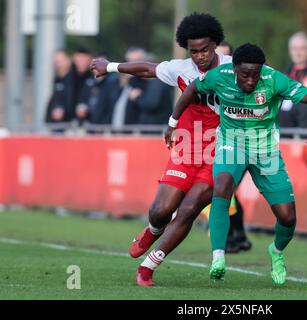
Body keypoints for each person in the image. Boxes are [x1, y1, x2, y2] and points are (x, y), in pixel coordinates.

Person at [165, 43, 307, 285]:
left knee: (287, 217)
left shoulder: (274, 79)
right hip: (232, 144)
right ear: (235, 69)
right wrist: (172, 121)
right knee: (221, 188)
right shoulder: (220, 75)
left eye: (256, 74)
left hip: (265, 152)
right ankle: (218, 256)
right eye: (245, 75)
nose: (251, 80)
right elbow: (191, 89)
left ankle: (277, 251)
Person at [90, 13, 230, 287]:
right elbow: (148, 69)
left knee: (189, 209)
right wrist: (110, 67)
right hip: (187, 145)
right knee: (161, 210)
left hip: (222, 151)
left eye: (205, 50)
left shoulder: (232, 68)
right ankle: (153, 229)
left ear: (215, 44)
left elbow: (264, 82)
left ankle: (148, 267)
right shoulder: (182, 68)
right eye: (193, 51)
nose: (200, 56)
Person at [215, 40, 252, 254]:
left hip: (239, 141)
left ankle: (231, 237)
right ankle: (237, 235)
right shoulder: (213, 80)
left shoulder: (243, 83)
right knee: (226, 190)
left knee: (226, 189)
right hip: (213, 138)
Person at [76, 54, 121, 125]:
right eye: (94, 65)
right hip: (90, 126)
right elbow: (83, 100)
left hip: (105, 128)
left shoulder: (113, 83)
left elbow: (113, 107)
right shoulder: (89, 83)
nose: (97, 67)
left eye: (101, 64)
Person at [45, 50, 76, 124]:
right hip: (56, 124)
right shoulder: (57, 79)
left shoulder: (75, 79)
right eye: (56, 61)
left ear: (68, 60)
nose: (58, 64)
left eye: (60, 61)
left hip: (70, 125)